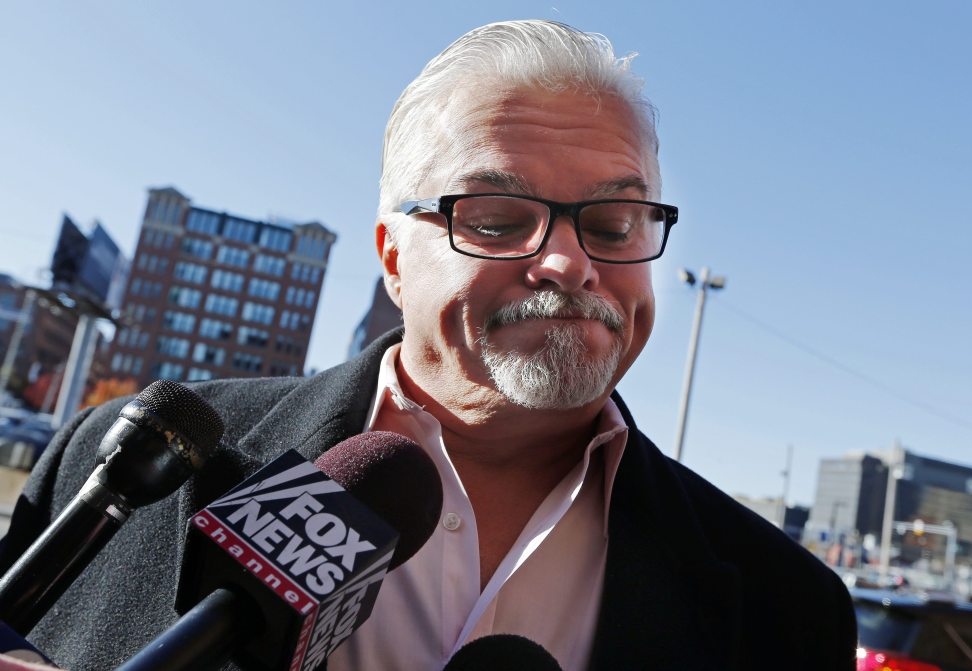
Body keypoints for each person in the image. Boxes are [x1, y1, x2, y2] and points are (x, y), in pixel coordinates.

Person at [0, 20, 856, 671]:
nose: (568, 261)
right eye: (495, 218)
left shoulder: (788, 609)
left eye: (615, 221)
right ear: (392, 259)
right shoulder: (118, 469)